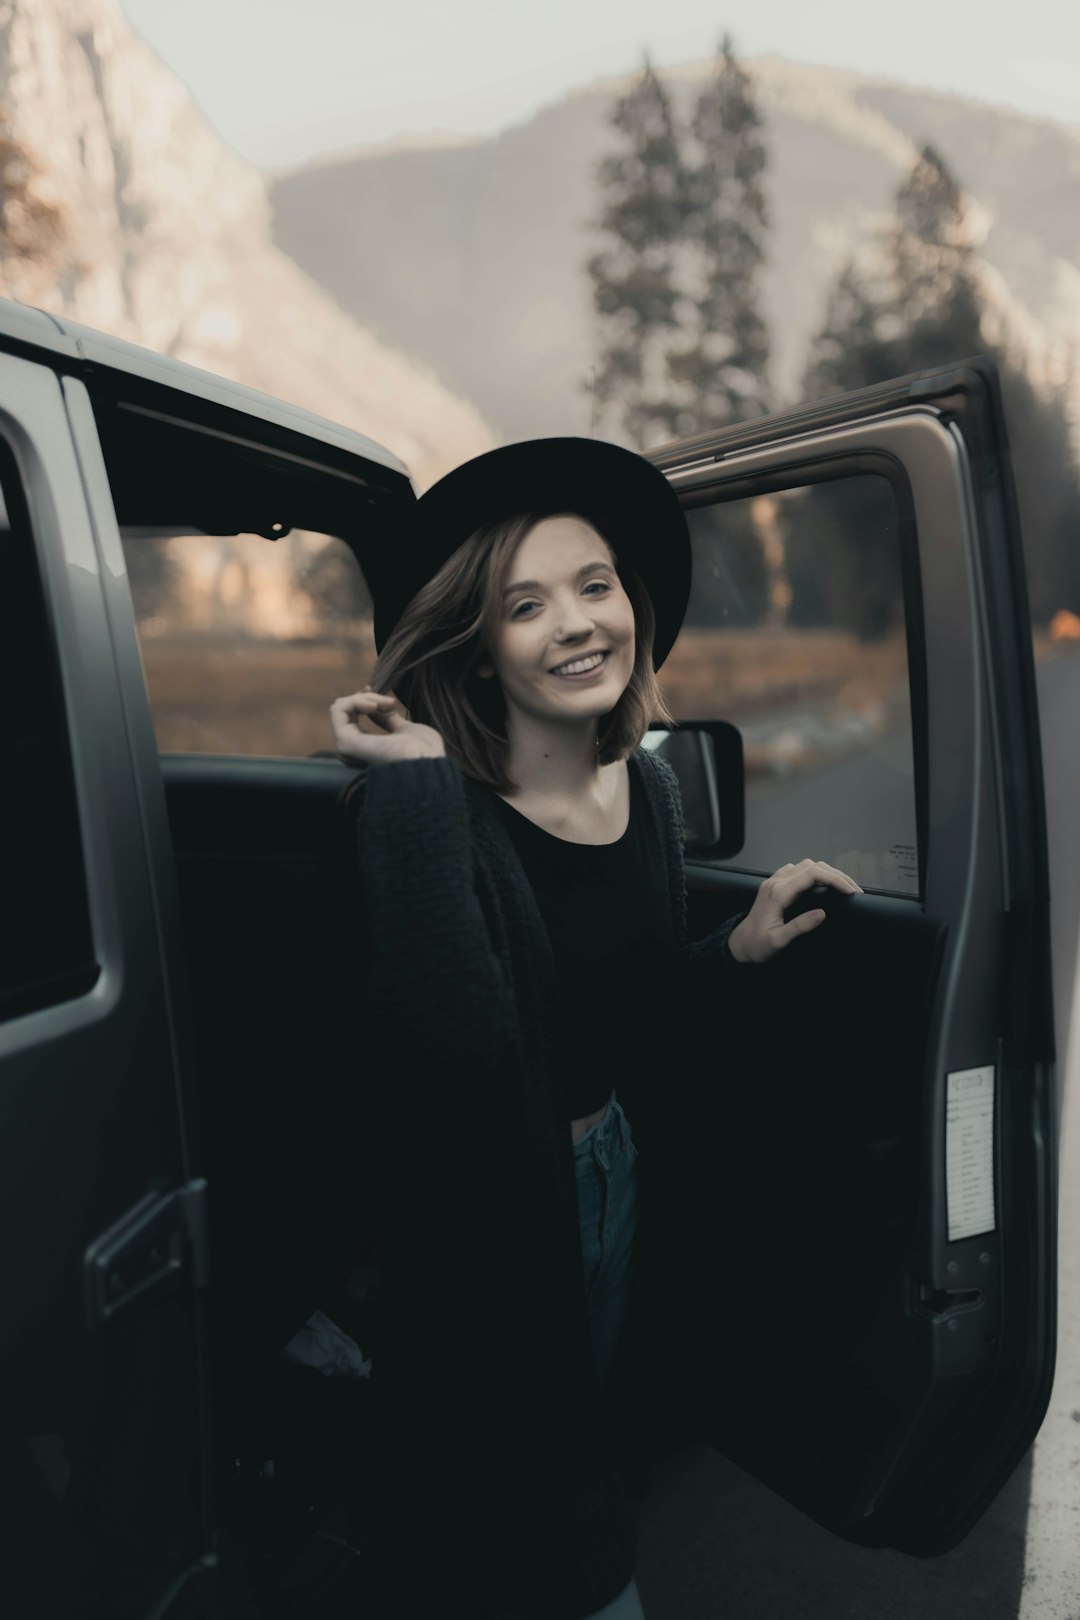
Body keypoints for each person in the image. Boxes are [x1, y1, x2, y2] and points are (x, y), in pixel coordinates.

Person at [329, 437, 862, 1620]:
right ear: (476, 644)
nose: (576, 625)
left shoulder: (653, 790)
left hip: (611, 1166)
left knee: (588, 1436)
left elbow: (625, 1015)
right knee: (540, 1520)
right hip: (488, 1212)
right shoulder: (427, 817)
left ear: (634, 602)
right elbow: (461, 1048)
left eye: (595, 584)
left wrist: (734, 951)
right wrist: (412, 782)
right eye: (526, 605)